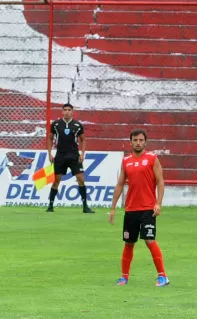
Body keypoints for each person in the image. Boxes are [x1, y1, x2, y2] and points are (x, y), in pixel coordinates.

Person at [107, 129, 169, 287]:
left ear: (145, 142)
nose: (138, 143)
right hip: (131, 209)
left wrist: (158, 203)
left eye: (141, 140)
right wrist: (113, 208)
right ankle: (124, 277)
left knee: (149, 240)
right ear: (131, 142)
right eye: (135, 140)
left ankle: (163, 276)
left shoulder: (152, 158)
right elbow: (120, 184)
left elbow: (160, 182)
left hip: (148, 208)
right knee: (128, 243)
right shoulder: (126, 161)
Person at [47, 102, 93, 213]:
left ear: (72, 112)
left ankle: (85, 206)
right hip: (60, 156)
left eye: (69, 110)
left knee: (81, 179)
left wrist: (82, 154)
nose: (67, 112)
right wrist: (49, 153)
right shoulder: (56, 124)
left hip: (74, 156)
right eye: (65, 109)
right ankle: (50, 206)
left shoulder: (77, 125)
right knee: (56, 181)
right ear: (62, 111)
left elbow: (83, 139)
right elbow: (50, 138)